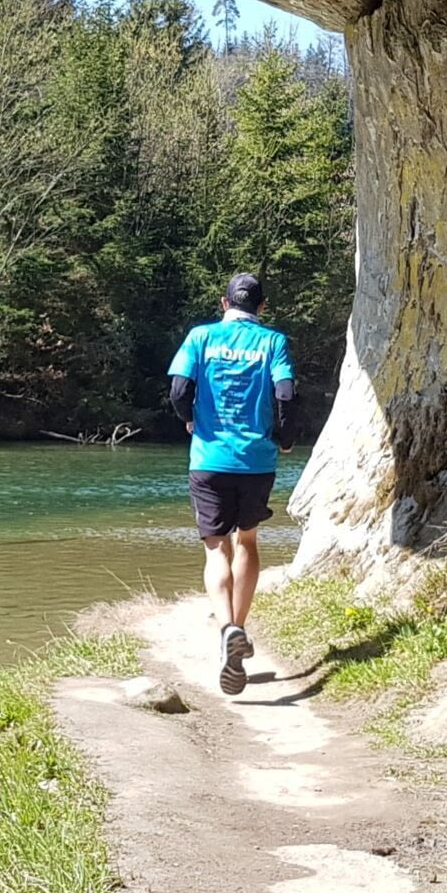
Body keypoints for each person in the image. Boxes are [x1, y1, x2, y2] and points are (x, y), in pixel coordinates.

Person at [168, 273, 298, 695]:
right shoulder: (273, 342)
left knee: (214, 548)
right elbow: (285, 393)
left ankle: (225, 629)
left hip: (209, 458)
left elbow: (179, 388)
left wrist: (189, 418)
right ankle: (238, 628)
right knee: (248, 541)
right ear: (262, 307)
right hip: (256, 461)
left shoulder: (200, 337)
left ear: (224, 303)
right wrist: (285, 435)